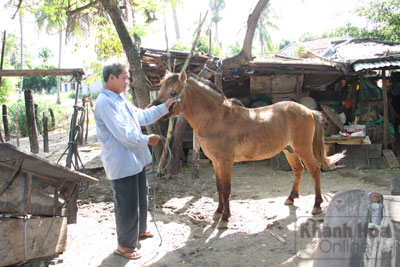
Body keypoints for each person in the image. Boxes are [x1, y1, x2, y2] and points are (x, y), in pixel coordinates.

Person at [94, 61, 176, 260]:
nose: (127, 81)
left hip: (134, 161)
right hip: (121, 162)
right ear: (112, 78)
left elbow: (140, 116)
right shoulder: (105, 103)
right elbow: (125, 135)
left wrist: (164, 107)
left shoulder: (119, 99)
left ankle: (138, 232)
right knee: (127, 204)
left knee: (140, 198)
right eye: (124, 77)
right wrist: (148, 140)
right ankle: (124, 245)